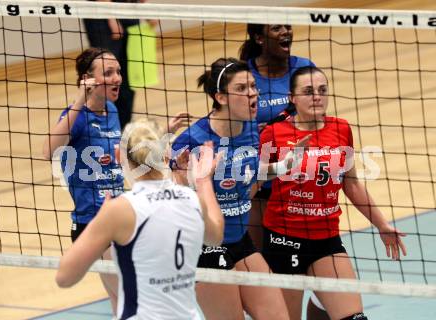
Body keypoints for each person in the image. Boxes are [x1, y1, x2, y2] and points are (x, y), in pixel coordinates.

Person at [260, 66, 407, 320]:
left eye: (322, 90)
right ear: (292, 98)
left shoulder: (341, 129)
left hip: (326, 239)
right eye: (308, 91)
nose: (316, 96)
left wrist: (382, 224)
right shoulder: (274, 133)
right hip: (283, 241)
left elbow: (351, 183)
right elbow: (257, 178)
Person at [56, 117, 225, 320]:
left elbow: (64, 277)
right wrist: (204, 180)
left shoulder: (120, 210)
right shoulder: (192, 199)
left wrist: (99, 222)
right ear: (167, 154)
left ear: (118, 155)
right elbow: (216, 237)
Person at [171, 57, 290, 320]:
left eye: (253, 86)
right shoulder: (192, 140)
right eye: (242, 88)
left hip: (240, 239)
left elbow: (249, 180)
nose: (252, 93)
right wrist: (184, 181)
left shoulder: (250, 131)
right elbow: (167, 196)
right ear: (221, 97)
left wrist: (283, 166)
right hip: (207, 246)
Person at [43, 47, 125, 315]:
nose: (117, 78)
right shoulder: (76, 117)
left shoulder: (112, 110)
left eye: (118, 72)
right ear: (87, 80)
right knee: (128, 298)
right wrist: (81, 99)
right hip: (93, 223)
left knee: (119, 301)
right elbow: (48, 151)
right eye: (109, 73)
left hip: (117, 217)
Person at [238, 24, 316, 254]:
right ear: (260, 38)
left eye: (288, 26)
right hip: (259, 177)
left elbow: (316, 117)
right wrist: (252, 129)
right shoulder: (245, 75)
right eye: (276, 29)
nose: (285, 32)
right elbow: (229, 123)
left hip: (295, 179)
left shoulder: (304, 68)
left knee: (300, 254)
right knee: (259, 255)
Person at [83, 0, 157, 129]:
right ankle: (102, 125)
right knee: (106, 76)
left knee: (127, 78)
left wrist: (147, 7)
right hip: (102, 14)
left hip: (127, 10)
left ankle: (123, 127)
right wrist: (110, 16)